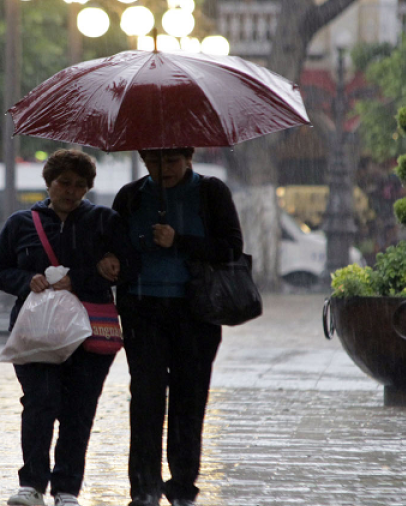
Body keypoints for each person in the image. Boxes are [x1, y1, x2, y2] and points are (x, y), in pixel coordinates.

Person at [0, 149, 138, 506]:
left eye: (79, 185)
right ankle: (32, 485)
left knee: (79, 410)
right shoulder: (20, 223)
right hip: (35, 332)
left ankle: (67, 489)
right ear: (49, 183)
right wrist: (28, 280)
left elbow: (127, 268)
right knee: (39, 403)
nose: (71, 191)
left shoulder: (104, 221)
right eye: (64, 183)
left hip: (89, 331)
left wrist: (84, 278)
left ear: (88, 188)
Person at [106, 147, 244, 506]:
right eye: (152, 160)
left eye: (170, 160)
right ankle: (144, 488)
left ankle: (182, 485)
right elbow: (113, 244)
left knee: (190, 398)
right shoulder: (131, 196)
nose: (161, 168)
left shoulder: (211, 192)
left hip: (195, 310)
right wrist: (118, 255)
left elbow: (231, 249)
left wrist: (179, 241)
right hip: (142, 310)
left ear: (188, 158)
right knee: (147, 398)